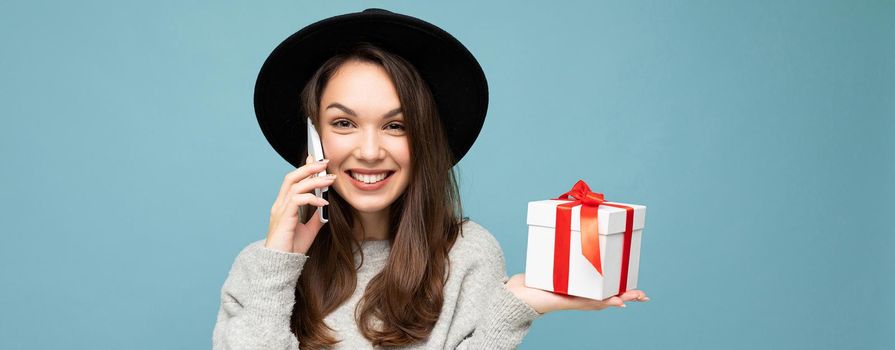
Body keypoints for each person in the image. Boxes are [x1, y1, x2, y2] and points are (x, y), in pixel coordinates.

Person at [212, 9, 648, 350]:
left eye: (395, 126)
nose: (368, 150)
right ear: (314, 137)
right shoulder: (263, 266)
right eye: (343, 123)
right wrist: (276, 264)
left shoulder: (467, 255)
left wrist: (515, 309)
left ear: (424, 139)